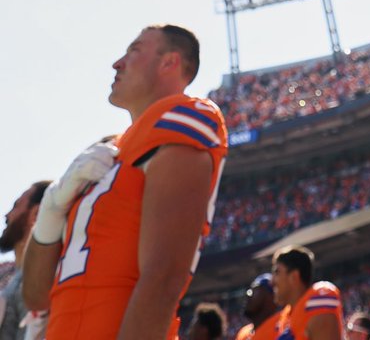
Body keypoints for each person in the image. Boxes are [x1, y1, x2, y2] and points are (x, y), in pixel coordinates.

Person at [22, 23, 228, 340]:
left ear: (169, 62)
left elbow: (163, 275)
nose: (117, 63)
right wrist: (51, 208)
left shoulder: (184, 114)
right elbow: (35, 296)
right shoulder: (106, 155)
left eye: (133, 50)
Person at [1, 181, 51, 340]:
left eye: (16, 206)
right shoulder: (6, 274)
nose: (7, 215)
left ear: (36, 215)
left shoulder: (41, 280)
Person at [271, 246, 342, 340]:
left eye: (277, 272)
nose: (272, 281)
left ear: (294, 276)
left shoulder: (317, 300)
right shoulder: (287, 315)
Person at [236, 273, 281, 340]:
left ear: (270, 297)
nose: (249, 295)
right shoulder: (243, 334)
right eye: (250, 290)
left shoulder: (281, 329)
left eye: (255, 290)